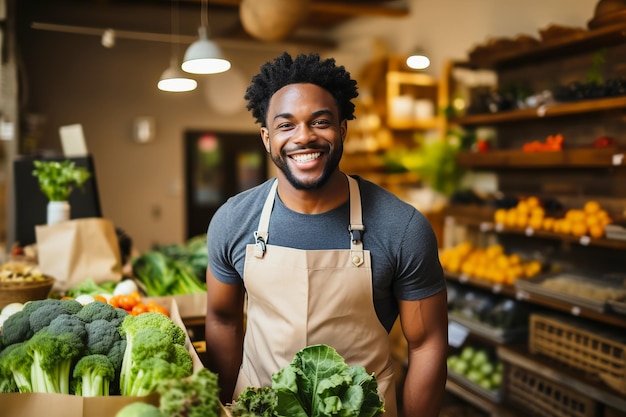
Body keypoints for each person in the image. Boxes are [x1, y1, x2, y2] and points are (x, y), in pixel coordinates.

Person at [204, 52, 448, 417]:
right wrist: (223, 408)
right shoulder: (233, 220)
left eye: (320, 122)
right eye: (286, 126)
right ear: (267, 138)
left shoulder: (402, 227)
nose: (304, 137)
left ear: (343, 129)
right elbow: (222, 319)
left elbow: (428, 345)